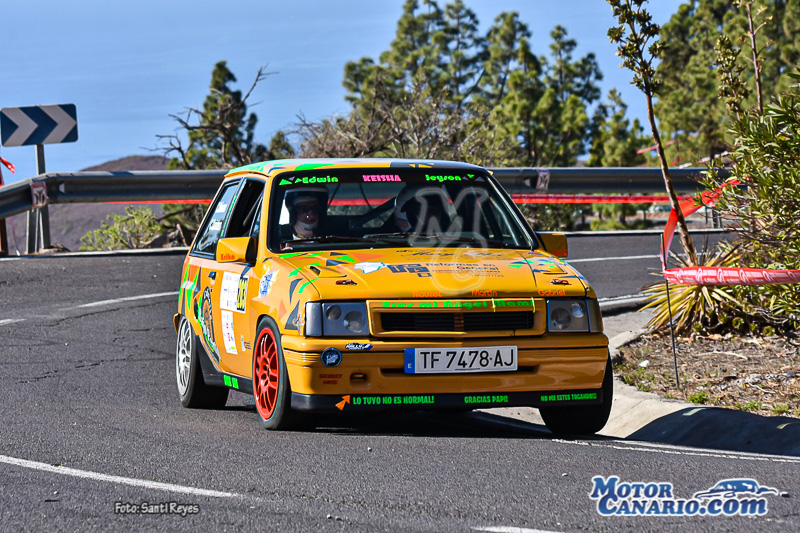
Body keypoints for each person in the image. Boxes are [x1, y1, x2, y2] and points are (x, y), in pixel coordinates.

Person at [384, 185, 449, 234]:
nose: (433, 216)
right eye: (426, 211)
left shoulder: (452, 239)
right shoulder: (384, 245)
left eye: (436, 209)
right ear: (410, 216)